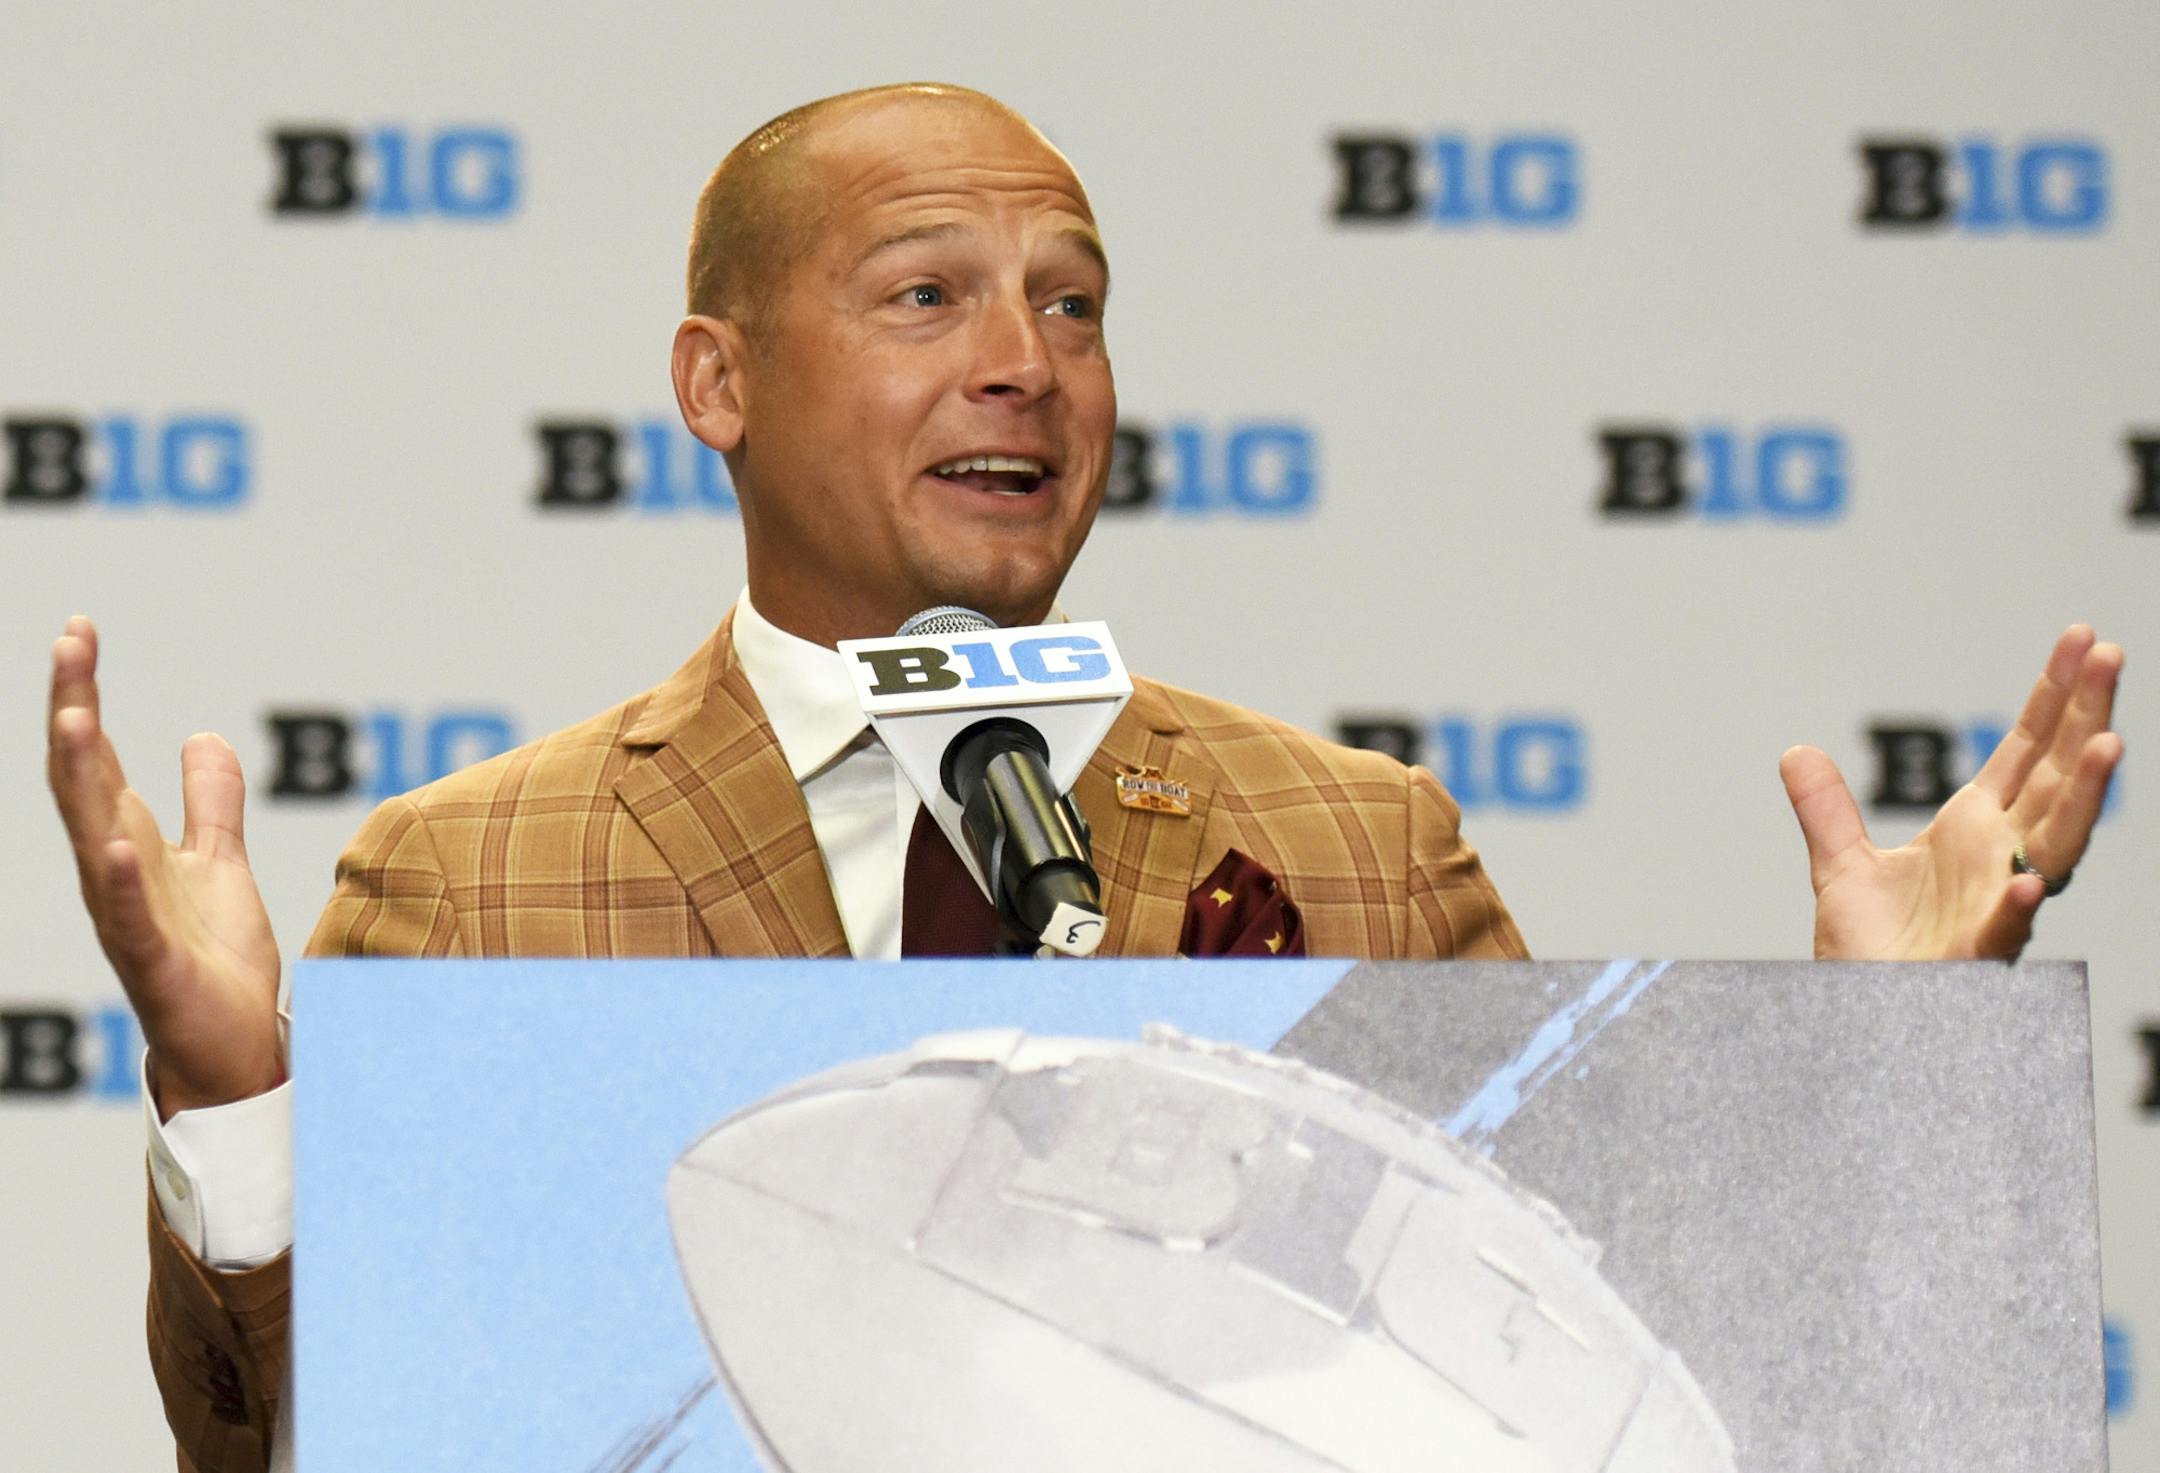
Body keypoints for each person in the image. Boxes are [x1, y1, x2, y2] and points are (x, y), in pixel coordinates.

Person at [44, 83, 2123, 1473]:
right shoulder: (470, 873)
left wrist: (1889, 1073)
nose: (1024, 362)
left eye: (1073, 306)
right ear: (717, 382)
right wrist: (243, 1106)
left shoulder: (1356, 842)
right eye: (927, 294)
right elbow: (289, 1448)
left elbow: (1569, 1370)